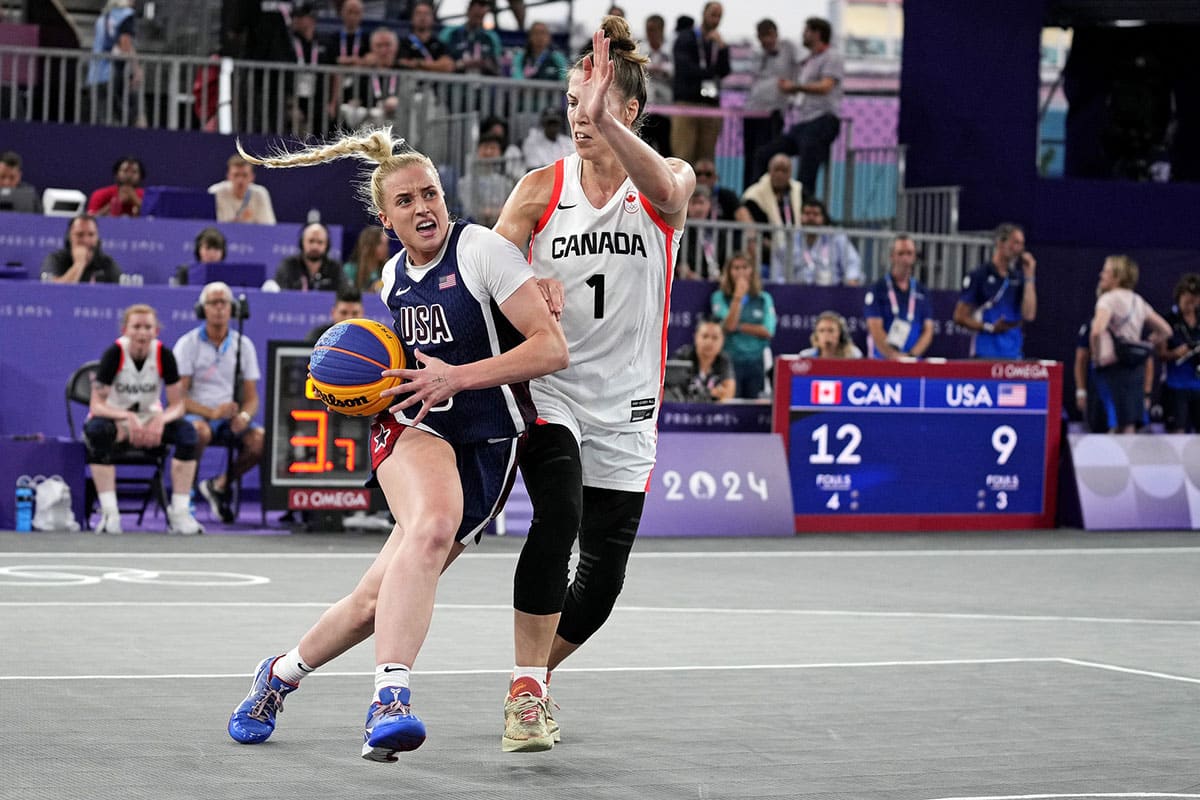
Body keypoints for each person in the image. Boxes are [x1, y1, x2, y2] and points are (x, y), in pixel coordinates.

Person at [225, 127, 568, 760]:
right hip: (416, 424)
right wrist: (364, 385)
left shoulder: (484, 253)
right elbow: (405, 364)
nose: (423, 208)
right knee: (433, 527)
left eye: (430, 193)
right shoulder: (392, 277)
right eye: (406, 201)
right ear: (387, 219)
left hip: (489, 444)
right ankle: (390, 699)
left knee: (374, 600)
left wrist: (456, 377)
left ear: (446, 196)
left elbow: (551, 349)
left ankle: (277, 677)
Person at [493, 21, 693, 748]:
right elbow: (487, 272)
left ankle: (532, 681)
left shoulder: (666, 183)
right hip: (554, 389)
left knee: (602, 584)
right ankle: (526, 693)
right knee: (559, 515)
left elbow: (670, 190)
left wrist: (607, 118)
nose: (580, 115)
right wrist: (523, 279)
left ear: (628, 110)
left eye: (597, 103)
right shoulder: (541, 187)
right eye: (575, 101)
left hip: (629, 405)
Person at [85, 304, 205, 536]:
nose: (142, 333)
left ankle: (180, 513)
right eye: (136, 327)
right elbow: (96, 405)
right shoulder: (114, 354)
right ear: (125, 330)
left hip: (150, 420)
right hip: (116, 418)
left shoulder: (164, 355)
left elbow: (178, 405)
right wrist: (126, 417)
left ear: (156, 331)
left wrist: (161, 419)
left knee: (188, 433)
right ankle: (110, 514)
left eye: (147, 327)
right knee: (96, 431)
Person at [173, 281, 265, 523]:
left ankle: (220, 485)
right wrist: (212, 412)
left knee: (259, 441)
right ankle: (186, 497)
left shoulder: (242, 345)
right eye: (213, 303)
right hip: (196, 416)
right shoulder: (187, 344)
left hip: (227, 419)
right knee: (198, 432)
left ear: (231, 308)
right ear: (202, 308)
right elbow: (178, 398)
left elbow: (252, 397)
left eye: (223, 302)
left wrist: (244, 416)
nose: (219, 308)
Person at [753, 16, 844, 195]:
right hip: (803, 122)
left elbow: (826, 86)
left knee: (807, 169)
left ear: (816, 33)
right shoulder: (809, 60)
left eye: (806, 31)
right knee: (764, 154)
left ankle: (803, 207)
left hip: (821, 120)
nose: (803, 35)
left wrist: (794, 87)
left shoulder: (832, 57)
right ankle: (762, 200)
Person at [1088, 255, 1171, 433]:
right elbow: (1166, 330)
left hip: (1112, 369)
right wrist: (1146, 342)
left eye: (1106, 271)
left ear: (1117, 277)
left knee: (1112, 420)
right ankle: (1124, 460)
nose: (1101, 274)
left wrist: (1096, 357)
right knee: (1129, 422)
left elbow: (1096, 330)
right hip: (1135, 370)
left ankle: (1109, 460)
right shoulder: (1138, 301)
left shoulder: (1107, 299)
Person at [953, 223, 1038, 359]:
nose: (1019, 249)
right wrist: (990, 327)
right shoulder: (979, 275)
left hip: (1013, 356)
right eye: (1015, 243)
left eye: (1022, 244)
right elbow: (960, 316)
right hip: (985, 355)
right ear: (1001, 243)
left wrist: (1029, 276)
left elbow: (1029, 315)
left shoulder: (1017, 278)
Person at [741, 19, 800, 190]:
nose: (767, 41)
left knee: (766, 154)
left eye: (769, 35)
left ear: (776, 34)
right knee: (750, 156)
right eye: (762, 37)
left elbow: (802, 66)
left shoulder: (789, 48)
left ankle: (766, 190)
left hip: (773, 112)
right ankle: (749, 192)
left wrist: (793, 92)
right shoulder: (756, 54)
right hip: (752, 110)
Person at [670, 2, 730, 166]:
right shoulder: (686, 37)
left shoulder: (717, 42)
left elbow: (725, 71)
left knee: (706, 159)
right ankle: (683, 192)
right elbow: (685, 68)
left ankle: (704, 191)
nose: (715, 19)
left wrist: (723, 48)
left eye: (719, 16)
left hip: (710, 105)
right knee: (683, 156)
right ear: (703, 13)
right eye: (713, 14)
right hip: (687, 104)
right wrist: (710, 73)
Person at [710, 251, 777, 398]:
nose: (740, 272)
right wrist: (738, 297)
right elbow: (729, 326)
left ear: (752, 270)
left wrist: (739, 327)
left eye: (744, 267)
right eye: (736, 268)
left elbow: (768, 330)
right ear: (729, 272)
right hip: (729, 362)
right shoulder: (719, 297)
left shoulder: (764, 298)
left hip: (757, 363)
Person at [864, 234, 934, 359]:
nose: (905, 258)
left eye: (909, 253)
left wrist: (911, 356)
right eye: (901, 253)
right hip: (883, 362)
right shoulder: (878, 289)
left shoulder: (921, 291)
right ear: (892, 256)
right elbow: (875, 328)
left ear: (914, 256)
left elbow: (928, 330)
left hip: (913, 362)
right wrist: (894, 356)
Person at [737, 152, 803, 280]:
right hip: (767, 253)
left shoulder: (798, 191)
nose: (780, 174)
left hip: (796, 250)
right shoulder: (754, 195)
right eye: (777, 170)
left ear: (790, 173)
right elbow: (754, 229)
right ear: (769, 171)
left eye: (784, 171)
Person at [86, 0, 141, 126]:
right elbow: (125, 44)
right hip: (111, 74)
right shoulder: (126, 15)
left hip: (94, 75)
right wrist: (136, 70)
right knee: (122, 120)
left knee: (102, 121)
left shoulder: (103, 18)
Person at [1161, 273, 1200, 432]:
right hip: (1176, 386)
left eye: (1195, 298)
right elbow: (1161, 354)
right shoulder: (1168, 320)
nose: (1191, 302)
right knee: (1177, 433)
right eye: (1187, 297)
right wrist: (1176, 353)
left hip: (1197, 385)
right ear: (1180, 295)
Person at [796, 197, 862, 286]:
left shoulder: (836, 237)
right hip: (798, 292)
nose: (811, 218)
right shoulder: (792, 240)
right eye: (807, 214)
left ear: (824, 218)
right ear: (800, 216)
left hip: (832, 293)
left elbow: (852, 263)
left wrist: (852, 279)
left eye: (816, 214)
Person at [668, 316, 735, 401]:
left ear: (722, 340)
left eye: (715, 338)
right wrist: (711, 392)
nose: (709, 342)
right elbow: (671, 392)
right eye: (705, 336)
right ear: (696, 337)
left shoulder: (723, 360)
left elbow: (729, 393)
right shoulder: (682, 357)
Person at [41, 214, 123, 284]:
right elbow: (53, 293)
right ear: (69, 237)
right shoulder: (55, 259)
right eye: (80, 234)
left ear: (97, 238)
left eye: (91, 235)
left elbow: (122, 293)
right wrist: (79, 264)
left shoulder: (107, 263)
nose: (86, 240)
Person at [457, 133, 515, 227]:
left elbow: (510, 211)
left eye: (493, 148)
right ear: (477, 151)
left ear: (500, 153)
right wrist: (497, 212)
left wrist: (490, 212)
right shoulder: (465, 183)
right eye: (485, 147)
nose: (488, 152)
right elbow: (473, 211)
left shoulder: (506, 183)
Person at [275, 222, 344, 291]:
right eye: (311, 241)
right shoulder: (288, 265)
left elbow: (345, 295)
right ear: (302, 242)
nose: (315, 246)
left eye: (320, 242)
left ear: (327, 245)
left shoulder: (335, 268)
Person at [439, 0, 502, 76]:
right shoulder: (450, 33)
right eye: (476, 15)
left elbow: (498, 67)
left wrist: (485, 63)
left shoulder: (491, 37)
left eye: (481, 16)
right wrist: (461, 64)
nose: (478, 19)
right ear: (468, 11)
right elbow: (439, 63)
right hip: (455, 82)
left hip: (483, 84)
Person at [209, 154, 277, 224]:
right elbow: (210, 225)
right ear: (228, 176)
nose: (240, 180)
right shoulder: (215, 192)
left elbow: (268, 226)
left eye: (245, 175)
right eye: (236, 175)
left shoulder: (260, 194)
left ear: (252, 177)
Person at [641, 14, 673, 157]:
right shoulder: (640, 49)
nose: (650, 33)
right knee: (643, 150)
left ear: (661, 30)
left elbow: (674, 72)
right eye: (648, 30)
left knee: (665, 150)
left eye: (653, 30)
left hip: (665, 108)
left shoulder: (670, 51)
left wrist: (661, 69)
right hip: (646, 107)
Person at [396, 1, 454, 74]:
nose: (422, 17)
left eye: (426, 14)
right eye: (418, 13)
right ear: (412, 18)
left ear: (432, 18)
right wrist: (436, 66)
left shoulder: (439, 44)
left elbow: (448, 66)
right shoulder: (403, 44)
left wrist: (419, 63)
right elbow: (404, 64)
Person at [343, 226, 390, 292]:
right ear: (369, 246)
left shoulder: (389, 270)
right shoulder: (350, 269)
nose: (385, 249)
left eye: (386, 244)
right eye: (381, 244)